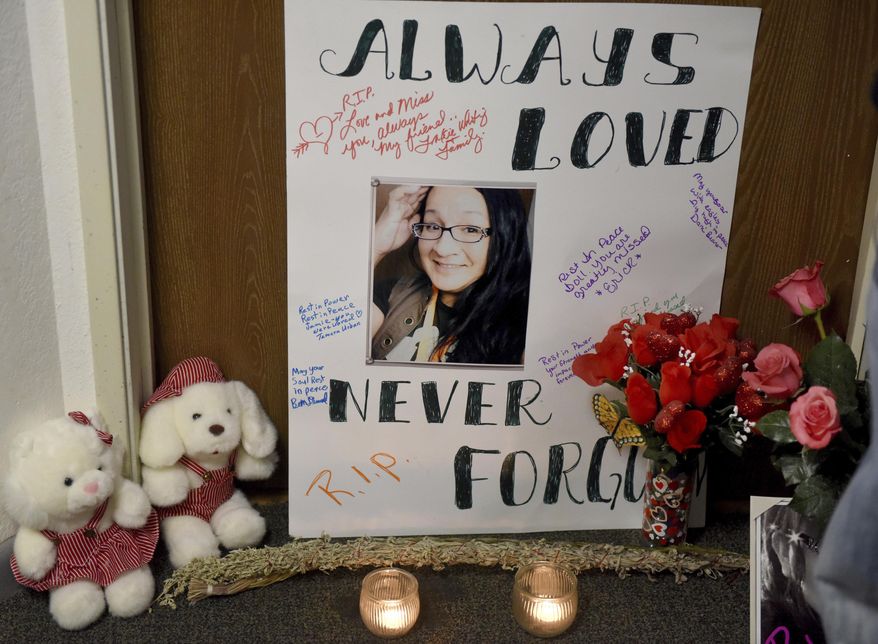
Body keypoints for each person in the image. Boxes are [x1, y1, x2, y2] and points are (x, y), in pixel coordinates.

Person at [370, 184, 531, 365]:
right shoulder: (393, 293)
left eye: (471, 229)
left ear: (506, 235)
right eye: (432, 225)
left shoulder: (529, 329)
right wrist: (375, 248)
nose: (442, 248)